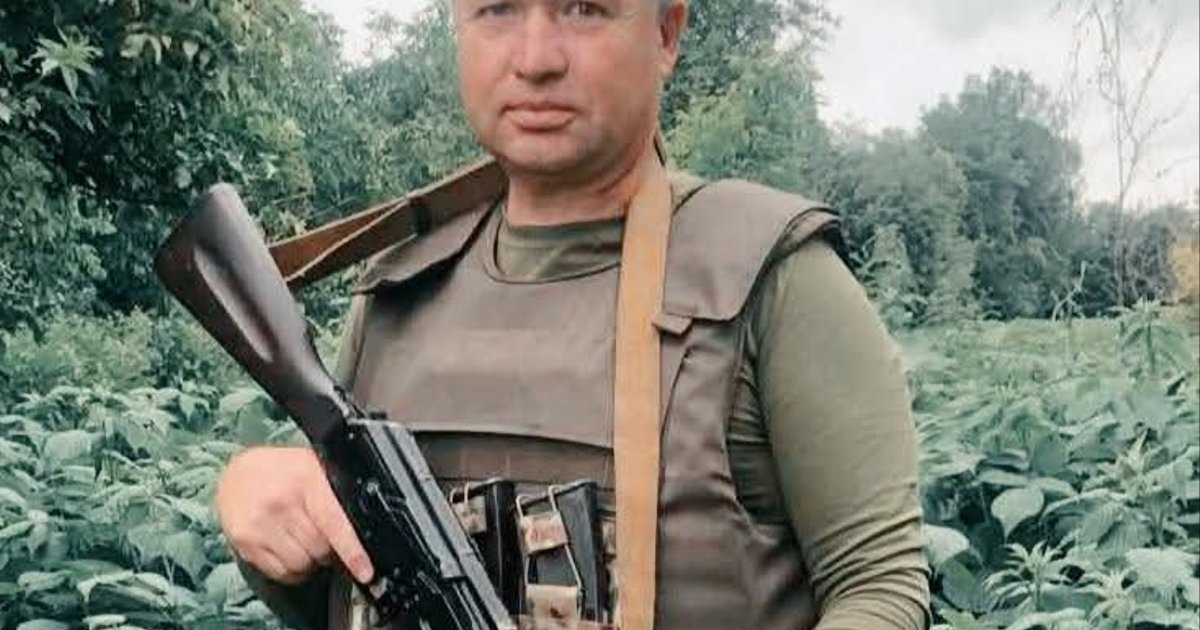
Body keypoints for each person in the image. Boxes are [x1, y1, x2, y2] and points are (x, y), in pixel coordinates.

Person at [214, 1, 932, 629]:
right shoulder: (396, 288)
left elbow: (881, 588)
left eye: (584, 8)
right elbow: (349, 599)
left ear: (666, 33)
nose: (535, 59)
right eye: (498, 9)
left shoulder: (772, 276)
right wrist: (269, 534)